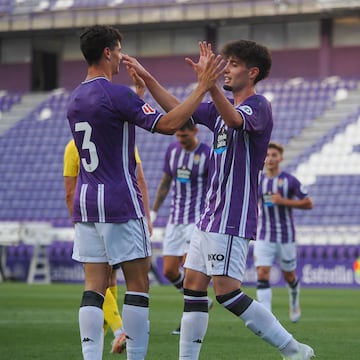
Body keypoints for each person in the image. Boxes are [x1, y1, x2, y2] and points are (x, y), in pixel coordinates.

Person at [125, 40, 315, 360]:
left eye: (234, 64)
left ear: (252, 73)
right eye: (225, 63)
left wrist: (209, 86)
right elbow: (177, 109)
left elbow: (235, 120)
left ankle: (294, 350)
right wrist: (149, 77)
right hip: (209, 215)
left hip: (232, 215)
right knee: (193, 289)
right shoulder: (218, 104)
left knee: (226, 294)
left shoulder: (258, 106)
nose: (226, 69)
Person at [66, 24, 225, 360]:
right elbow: (168, 125)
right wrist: (202, 88)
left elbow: (109, 124)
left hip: (86, 202)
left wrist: (138, 96)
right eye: (119, 50)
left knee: (94, 287)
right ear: (108, 52)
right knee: (137, 285)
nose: (122, 57)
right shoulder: (116, 94)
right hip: (120, 201)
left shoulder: (75, 99)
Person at [63, 139, 152, 354]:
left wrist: (77, 220)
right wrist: (147, 216)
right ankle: (117, 332)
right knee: (135, 282)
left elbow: (70, 190)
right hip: (121, 210)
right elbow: (139, 179)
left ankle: (114, 332)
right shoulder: (123, 138)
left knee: (95, 284)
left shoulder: (73, 145)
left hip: (88, 211)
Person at [150, 121, 211, 335]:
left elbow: (215, 186)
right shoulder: (172, 150)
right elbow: (166, 182)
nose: (181, 140)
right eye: (178, 136)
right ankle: (201, 300)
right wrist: (154, 212)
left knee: (189, 269)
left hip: (195, 221)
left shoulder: (207, 154)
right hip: (175, 220)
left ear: (195, 131)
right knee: (168, 270)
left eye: (184, 136)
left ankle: (187, 320)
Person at [254, 142, 313, 322]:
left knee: (289, 275)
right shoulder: (258, 181)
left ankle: (294, 298)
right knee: (262, 273)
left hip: (286, 236)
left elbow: (308, 203)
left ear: (281, 158)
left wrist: (284, 201)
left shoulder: (290, 181)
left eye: (274, 155)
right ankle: (266, 317)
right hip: (264, 235)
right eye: (268, 155)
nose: (270, 159)